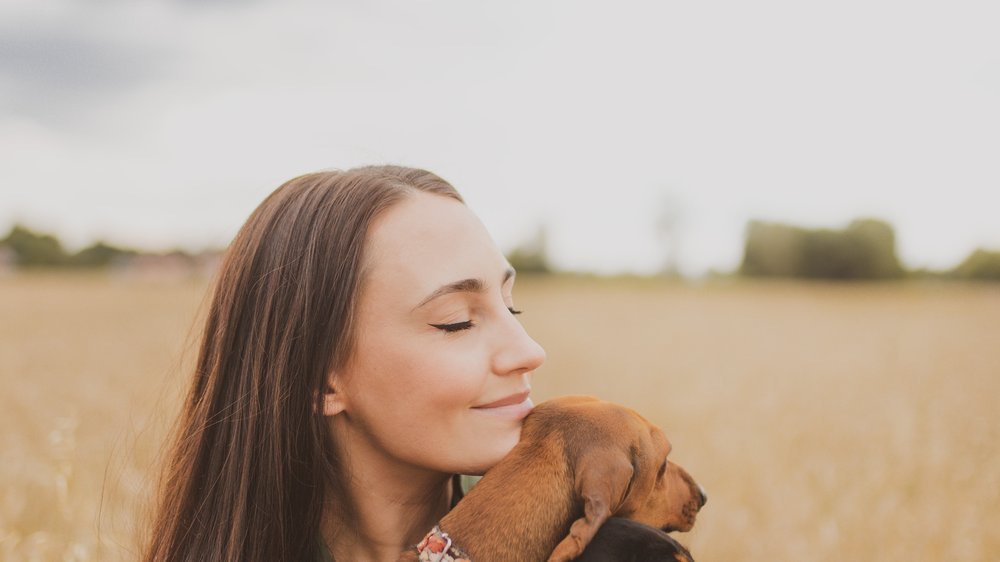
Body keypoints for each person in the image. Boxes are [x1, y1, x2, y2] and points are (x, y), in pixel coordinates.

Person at [143, 165, 546, 562]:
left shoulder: (584, 539)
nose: (529, 351)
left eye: (512, 308)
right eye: (456, 321)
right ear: (320, 380)